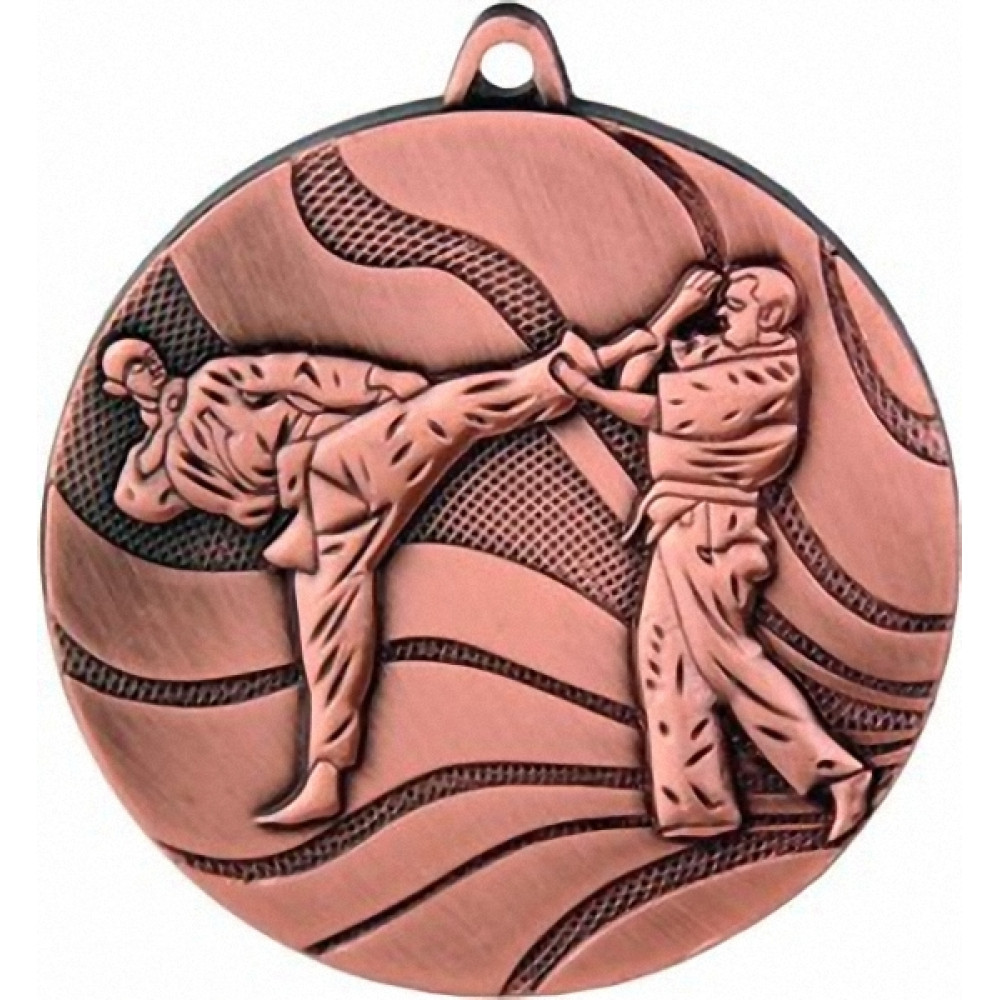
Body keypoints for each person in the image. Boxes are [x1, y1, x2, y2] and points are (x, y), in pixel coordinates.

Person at [102, 330, 600, 826]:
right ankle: (326, 774)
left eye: (147, 356)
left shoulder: (215, 380)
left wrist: (380, 380)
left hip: (342, 451)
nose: (150, 365)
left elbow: (300, 373)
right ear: (120, 389)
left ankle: (565, 371)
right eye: (135, 368)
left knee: (445, 412)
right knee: (327, 626)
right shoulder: (172, 464)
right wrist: (161, 425)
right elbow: (135, 500)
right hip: (317, 508)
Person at [551, 264, 871, 844]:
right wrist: (670, 312)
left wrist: (586, 391)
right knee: (665, 664)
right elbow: (635, 380)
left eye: (737, 304)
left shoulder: (767, 373)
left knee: (726, 659)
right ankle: (696, 808)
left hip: (713, 528)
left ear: (771, 317)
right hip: (679, 521)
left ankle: (838, 773)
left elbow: (650, 410)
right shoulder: (719, 354)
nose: (722, 311)